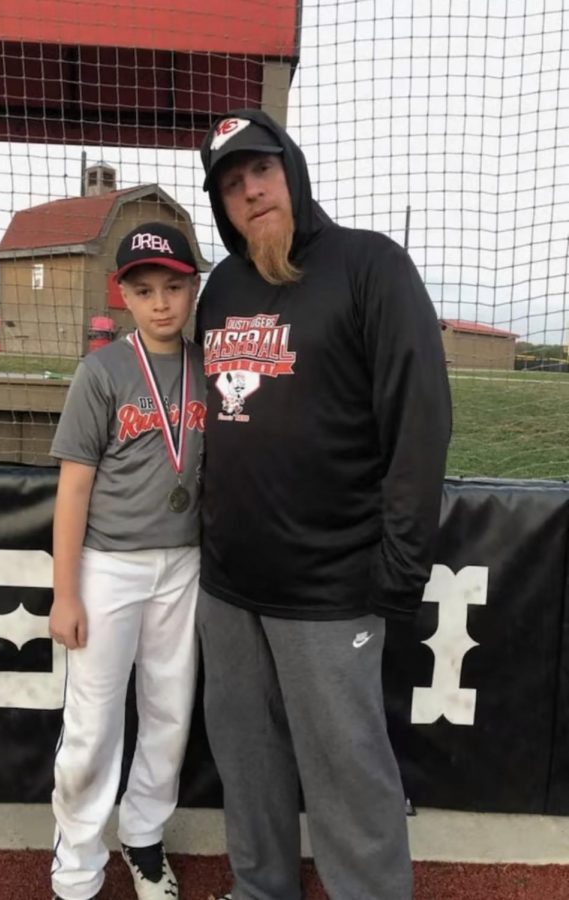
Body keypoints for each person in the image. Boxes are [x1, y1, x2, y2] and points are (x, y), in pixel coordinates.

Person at [195, 110, 452, 900]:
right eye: (231, 185)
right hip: (230, 585)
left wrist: (399, 569)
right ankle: (259, 886)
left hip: (331, 587)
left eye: (260, 171)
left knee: (347, 772)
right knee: (246, 760)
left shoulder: (369, 265)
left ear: (291, 170)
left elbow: (419, 422)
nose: (250, 192)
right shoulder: (221, 287)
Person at [48, 222, 206, 900]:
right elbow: (74, 485)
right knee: (92, 723)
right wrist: (65, 592)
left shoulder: (210, 365)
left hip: (184, 562)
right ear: (123, 297)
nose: (161, 303)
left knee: (169, 712)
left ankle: (143, 838)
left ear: (193, 287)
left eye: (173, 287)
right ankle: (77, 866)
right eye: (144, 291)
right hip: (107, 564)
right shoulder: (103, 370)